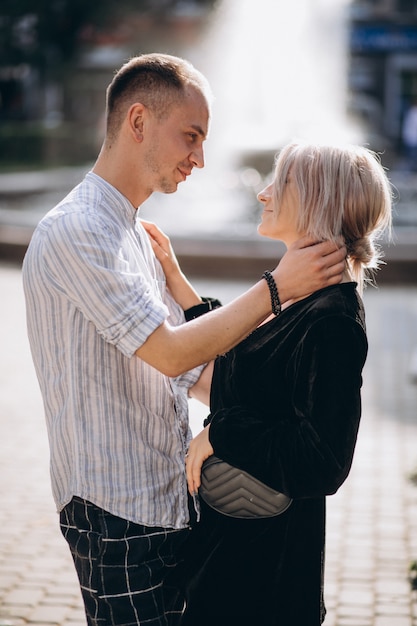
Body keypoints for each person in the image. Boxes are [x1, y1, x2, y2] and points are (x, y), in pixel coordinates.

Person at [22, 53, 346, 626]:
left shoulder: (136, 236)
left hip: (170, 504)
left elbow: (196, 371)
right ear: (139, 121)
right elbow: (172, 350)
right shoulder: (78, 231)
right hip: (114, 512)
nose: (199, 158)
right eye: (190, 136)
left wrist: (270, 422)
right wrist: (277, 288)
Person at [152, 140, 392, 626]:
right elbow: (245, 378)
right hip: (235, 557)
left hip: (264, 581)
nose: (263, 193)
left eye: (280, 183)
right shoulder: (306, 300)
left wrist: (222, 433)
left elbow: (323, 462)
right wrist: (178, 283)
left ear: (319, 201)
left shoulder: (333, 321)